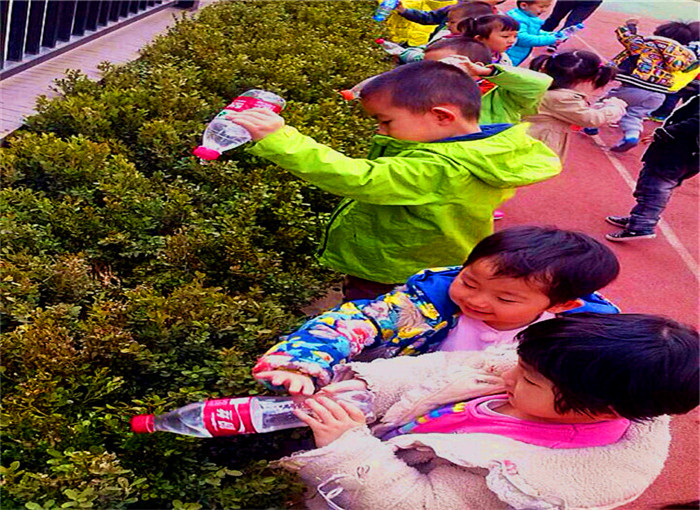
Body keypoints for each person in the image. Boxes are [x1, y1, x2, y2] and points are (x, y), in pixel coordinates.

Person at [276, 313, 699, 509]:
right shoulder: (544, 373)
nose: (508, 374)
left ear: (601, 410)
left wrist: (348, 449)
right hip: (376, 449)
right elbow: (439, 370)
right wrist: (369, 387)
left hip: (360, 482)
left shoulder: (528, 479)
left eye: (529, 380)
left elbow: (418, 504)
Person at [231, 62, 560, 301]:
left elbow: (361, 179)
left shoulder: (442, 167)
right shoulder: (480, 143)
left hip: (395, 268)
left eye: (386, 121)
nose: (381, 131)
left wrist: (282, 140)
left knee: (370, 318)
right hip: (421, 259)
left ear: (441, 115)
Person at [253, 226, 620, 393]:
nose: (476, 301)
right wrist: (300, 361)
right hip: (399, 396)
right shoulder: (431, 302)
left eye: (505, 299)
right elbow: (353, 322)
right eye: (469, 282)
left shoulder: (578, 338)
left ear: (560, 304)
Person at [605, 94, 698, 241]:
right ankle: (640, 218)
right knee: (652, 183)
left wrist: (664, 133)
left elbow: (695, 123)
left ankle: (642, 225)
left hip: (680, 153)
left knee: (655, 186)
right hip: (684, 153)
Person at [601, 19, 698, 152]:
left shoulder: (648, 44)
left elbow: (627, 38)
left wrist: (630, 26)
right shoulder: (684, 56)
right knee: (634, 115)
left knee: (606, 101)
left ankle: (591, 125)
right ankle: (631, 135)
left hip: (634, 87)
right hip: (659, 95)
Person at [423, 37, 553, 124]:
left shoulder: (501, 94)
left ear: (475, 67)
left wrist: (488, 72)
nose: (430, 72)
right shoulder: (428, 92)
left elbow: (540, 83)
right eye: (426, 66)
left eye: (443, 66)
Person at [525, 50, 626, 160]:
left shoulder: (551, 91)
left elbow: (574, 112)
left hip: (531, 140)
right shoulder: (563, 98)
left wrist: (598, 107)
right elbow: (592, 119)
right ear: (586, 80)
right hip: (534, 148)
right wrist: (614, 108)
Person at [506, 0, 562, 66]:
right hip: (510, 54)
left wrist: (548, 34)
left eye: (547, 6)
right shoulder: (519, 20)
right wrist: (551, 39)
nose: (544, 10)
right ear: (524, 5)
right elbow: (522, 39)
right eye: (541, 7)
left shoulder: (527, 17)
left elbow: (533, 31)